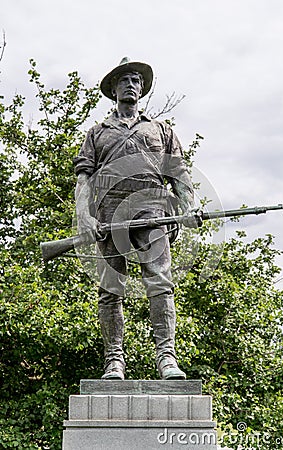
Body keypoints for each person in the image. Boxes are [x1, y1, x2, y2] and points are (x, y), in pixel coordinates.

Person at [73, 57, 194, 380]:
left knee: (161, 285)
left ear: (142, 89)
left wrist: (188, 207)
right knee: (110, 291)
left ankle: (167, 358)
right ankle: (114, 361)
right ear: (113, 89)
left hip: (153, 215)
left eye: (136, 80)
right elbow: (83, 179)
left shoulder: (160, 130)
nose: (130, 84)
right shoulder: (97, 133)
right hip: (109, 219)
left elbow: (179, 173)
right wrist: (83, 216)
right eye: (124, 79)